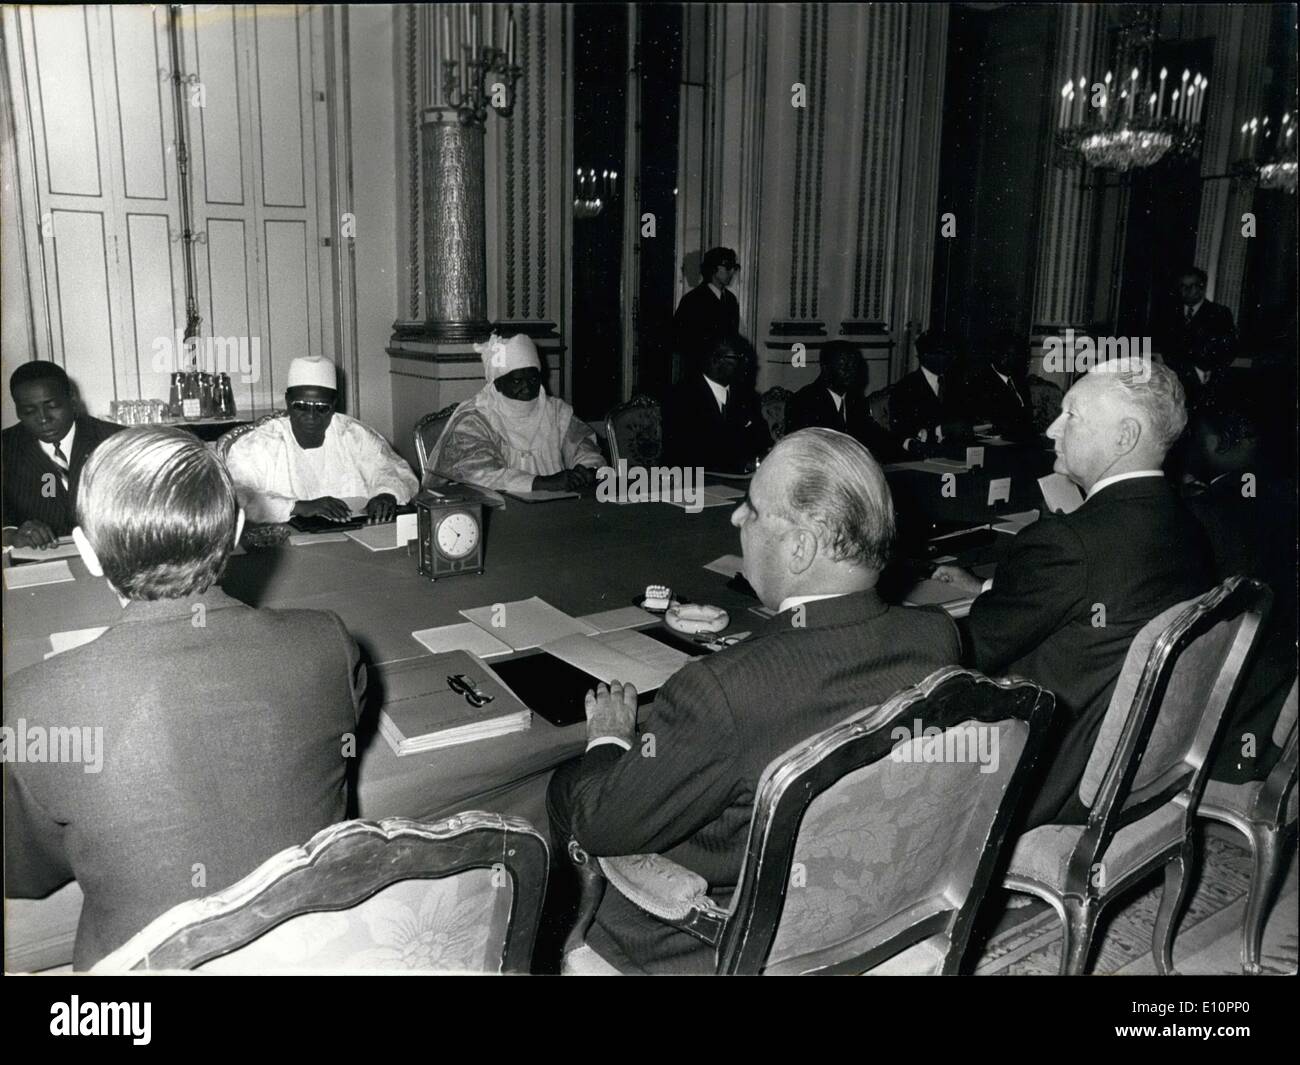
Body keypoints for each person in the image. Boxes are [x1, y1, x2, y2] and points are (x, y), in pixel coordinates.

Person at [547, 428, 961, 973]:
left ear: (800, 547)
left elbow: (601, 826)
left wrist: (608, 738)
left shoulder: (721, 690)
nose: (738, 519)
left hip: (718, 948)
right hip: (879, 920)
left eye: (753, 508)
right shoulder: (937, 635)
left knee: (564, 789)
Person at [3, 427, 366, 968]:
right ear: (240, 528)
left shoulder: (30, 702)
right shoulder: (326, 642)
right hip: (314, 954)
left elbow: (26, 875)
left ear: (88, 554)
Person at [933, 359, 1214, 827]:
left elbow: (964, 653)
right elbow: (1099, 597)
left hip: (1045, 782)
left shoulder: (1068, 543)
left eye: (1072, 415)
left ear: (1124, 437)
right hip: (1135, 767)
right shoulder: (1186, 524)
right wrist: (989, 587)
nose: (1051, 429)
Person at [1182, 408, 1297, 784]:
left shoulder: (1205, 513)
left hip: (1235, 718)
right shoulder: (1283, 492)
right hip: (1280, 697)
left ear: (1217, 443)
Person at [225, 355, 418, 524]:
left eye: (321, 407)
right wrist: (296, 507)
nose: (311, 415)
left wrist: (386, 494)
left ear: (334, 405)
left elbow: (395, 470)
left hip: (355, 537)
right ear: (288, 402)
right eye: (301, 406)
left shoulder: (354, 435)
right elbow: (236, 495)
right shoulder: (259, 443)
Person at [429, 333, 603, 493]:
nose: (527, 386)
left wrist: (587, 469)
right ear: (497, 384)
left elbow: (585, 449)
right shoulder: (476, 419)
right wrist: (540, 483)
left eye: (533, 378)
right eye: (517, 380)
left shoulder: (557, 412)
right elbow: (479, 475)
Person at [2, 361, 122, 548]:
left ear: (72, 400)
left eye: (52, 406)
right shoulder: (6, 448)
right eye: (29, 411)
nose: (43, 418)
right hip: (38, 566)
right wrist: (11, 535)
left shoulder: (117, 441)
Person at [663, 335, 772, 473]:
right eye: (738, 359)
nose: (746, 365)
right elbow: (691, 455)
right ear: (715, 360)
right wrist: (744, 465)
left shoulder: (746, 396)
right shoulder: (681, 398)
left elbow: (762, 441)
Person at [786, 340, 900, 461]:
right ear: (826, 368)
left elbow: (873, 434)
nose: (851, 371)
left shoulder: (854, 398)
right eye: (844, 366)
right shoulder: (803, 402)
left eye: (854, 365)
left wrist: (906, 443)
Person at [1158, 266, 1237, 413]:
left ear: (1202, 288)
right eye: (1183, 286)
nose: (1187, 290)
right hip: (1174, 384)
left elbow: (1227, 349)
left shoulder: (1220, 314)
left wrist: (1205, 371)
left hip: (1206, 386)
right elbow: (1166, 347)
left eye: (1192, 286)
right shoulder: (1169, 313)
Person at [888, 329, 972, 453]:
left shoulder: (955, 384)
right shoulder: (905, 388)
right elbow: (903, 433)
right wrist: (941, 430)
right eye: (944, 352)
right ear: (925, 356)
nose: (951, 358)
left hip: (954, 453)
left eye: (952, 352)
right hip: (922, 456)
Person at [673, 247, 741, 367]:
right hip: (699, 370)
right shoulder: (692, 300)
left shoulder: (731, 300)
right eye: (728, 267)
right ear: (714, 268)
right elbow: (679, 339)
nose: (732, 272)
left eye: (734, 268)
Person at [964, 329, 1036, 441]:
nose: (1011, 360)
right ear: (995, 354)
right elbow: (992, 421)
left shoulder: (1019, 381)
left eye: (1016, 356)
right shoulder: (981, 382)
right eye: (1007, 354)